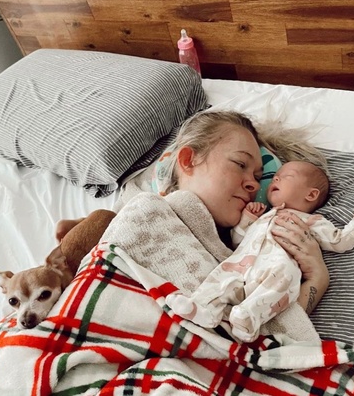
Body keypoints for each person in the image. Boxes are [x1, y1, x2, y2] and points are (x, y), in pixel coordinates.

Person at [56, 111, 330, 324]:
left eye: (258, 177)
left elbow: (265, 328)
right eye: (240, 164)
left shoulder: (247, 251)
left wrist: (317, 278)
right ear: (188, 160)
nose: (254, 185)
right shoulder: (140, 214)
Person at [166, 160, 354, 342]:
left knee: (282, 285)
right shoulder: (264, 216)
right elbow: (238, 241)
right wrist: (247, 220)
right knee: (223, 276)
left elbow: (338, 241)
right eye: (276, 176)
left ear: (311, 194)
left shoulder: (311, 221)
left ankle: (249, 317)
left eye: (286, 177)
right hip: (243, 263)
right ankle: (202, 306)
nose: (276, 178)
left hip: (278, 266)